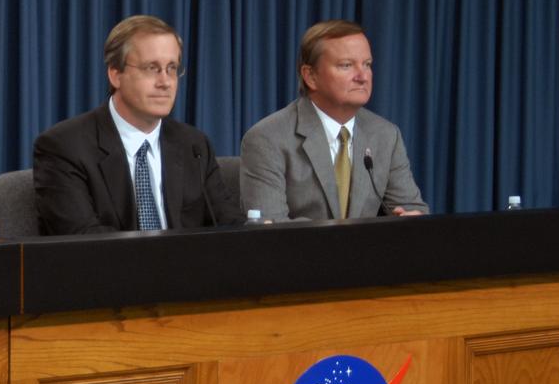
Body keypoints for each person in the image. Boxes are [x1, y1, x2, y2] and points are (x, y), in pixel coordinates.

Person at [33, 14, 242, 235]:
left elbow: (228, 225)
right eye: (152, 68)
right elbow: (84, 241)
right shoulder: (65, 147)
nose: (165, 82)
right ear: (116, 75)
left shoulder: (194, 145)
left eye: (172, 68)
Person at [239, 20, 427, 221]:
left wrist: (411, 219)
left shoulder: (386, 135)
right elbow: (271, 230)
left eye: (367, 64)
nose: (363, 76)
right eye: (346, 65)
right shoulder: (267, 139)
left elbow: (411, 209)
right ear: (310, 76)